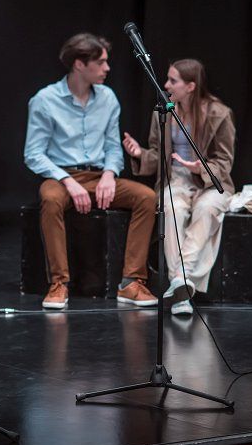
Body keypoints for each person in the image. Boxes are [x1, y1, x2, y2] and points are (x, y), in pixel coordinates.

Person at [24, 33, 158, 310]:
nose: (107, 68)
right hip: (62, 176)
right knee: (50, 199)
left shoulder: (107, 98)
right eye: (101, 62)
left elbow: (112, 146)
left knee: (146, 197)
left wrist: (109, 174)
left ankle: (131, 282)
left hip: (99, 175)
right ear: (79, 64)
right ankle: (59, 283)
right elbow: (34, 153)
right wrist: (67, 180)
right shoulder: (45, 100)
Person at [123, 59, 235, 316]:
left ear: (191, 86)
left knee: (207, 209)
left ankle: (178, 280)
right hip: (176, 180)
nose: (166, 85)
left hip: (210, 183)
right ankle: (181, 287)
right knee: (172, 209)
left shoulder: (219, 114)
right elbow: (158, 156)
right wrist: (139, 154)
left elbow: (224, 162)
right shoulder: (162, 113)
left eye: (173, 81)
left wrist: (200, 168)